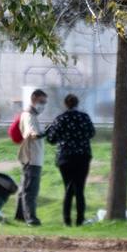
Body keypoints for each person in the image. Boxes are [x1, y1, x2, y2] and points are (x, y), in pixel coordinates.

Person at [44, 93, 95, 226]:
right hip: (82, 156)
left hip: (65, 157)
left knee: (68, 188)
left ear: (65, 104)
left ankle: (67, 220)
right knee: (79, 188)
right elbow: (91, 133)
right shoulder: (84, 117)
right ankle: (80, 219)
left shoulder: (60, 119)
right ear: (77, 104)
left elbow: (51, 139)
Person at [14, 89, 47, 226]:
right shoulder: (28, 115)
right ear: (33, 99)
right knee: (30, 190)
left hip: (34, 157)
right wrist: (44, 133)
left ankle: (20, 216)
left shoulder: (33, 115)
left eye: (45, 102)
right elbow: (31, 134)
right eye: (41, 101)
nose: (43, 105)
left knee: (24, 188)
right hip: (32, 158)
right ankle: (31, 219)